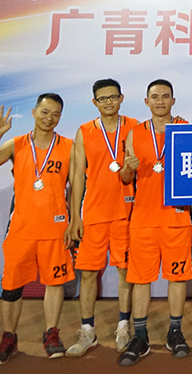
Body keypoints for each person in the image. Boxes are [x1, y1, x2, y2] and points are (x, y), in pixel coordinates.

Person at [0, 94, 76, 364]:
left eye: (55, 114)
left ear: (60, 117)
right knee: (12, 287)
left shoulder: (68, 147)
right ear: (34, 112)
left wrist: (74, 221)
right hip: (21, 229)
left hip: (55, 228)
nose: (49, 118)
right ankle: (9, 337)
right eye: (44, 112)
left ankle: (51, 334)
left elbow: (76, 187)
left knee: (54, 283)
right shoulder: (16, 144)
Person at [115, 79, 192, 366]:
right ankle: (140, 336)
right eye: (155, 97)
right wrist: (127, 168)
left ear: (173, 100)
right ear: (146, 102)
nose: (160, 101)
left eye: (165, 96)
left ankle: (175, 332)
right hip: (143, 220)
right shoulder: (134, 133)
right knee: (140, 280)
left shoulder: (185, 130)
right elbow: (125, 178)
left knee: (177, 277)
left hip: (177, 217)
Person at [67, 79, 140, 357]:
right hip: (94, 214)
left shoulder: (134, 126)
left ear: (121, 98)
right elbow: (77, 177)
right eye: (102, 98)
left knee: (124, 272)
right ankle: (88, 331)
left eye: (112, 97)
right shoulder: (84, 131)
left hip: (126, 213)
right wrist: (75, 216)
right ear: (94, 102)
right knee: (88, 274)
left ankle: (123, 327)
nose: (108, 102)